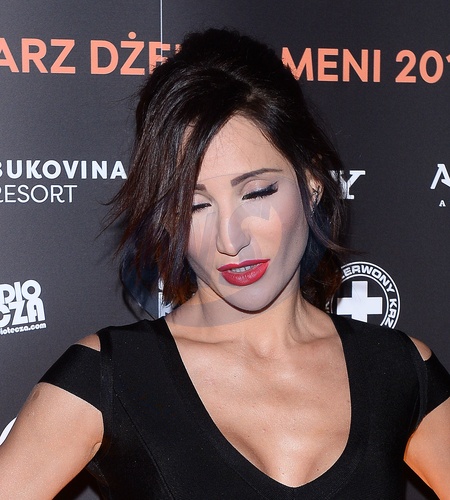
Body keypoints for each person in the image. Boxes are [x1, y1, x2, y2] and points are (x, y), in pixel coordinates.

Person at [0, 28, 449, 499]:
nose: (230, 240)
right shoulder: (111, 378)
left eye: (256, 193)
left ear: (312, 181)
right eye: (195, 205)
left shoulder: (398, 369)